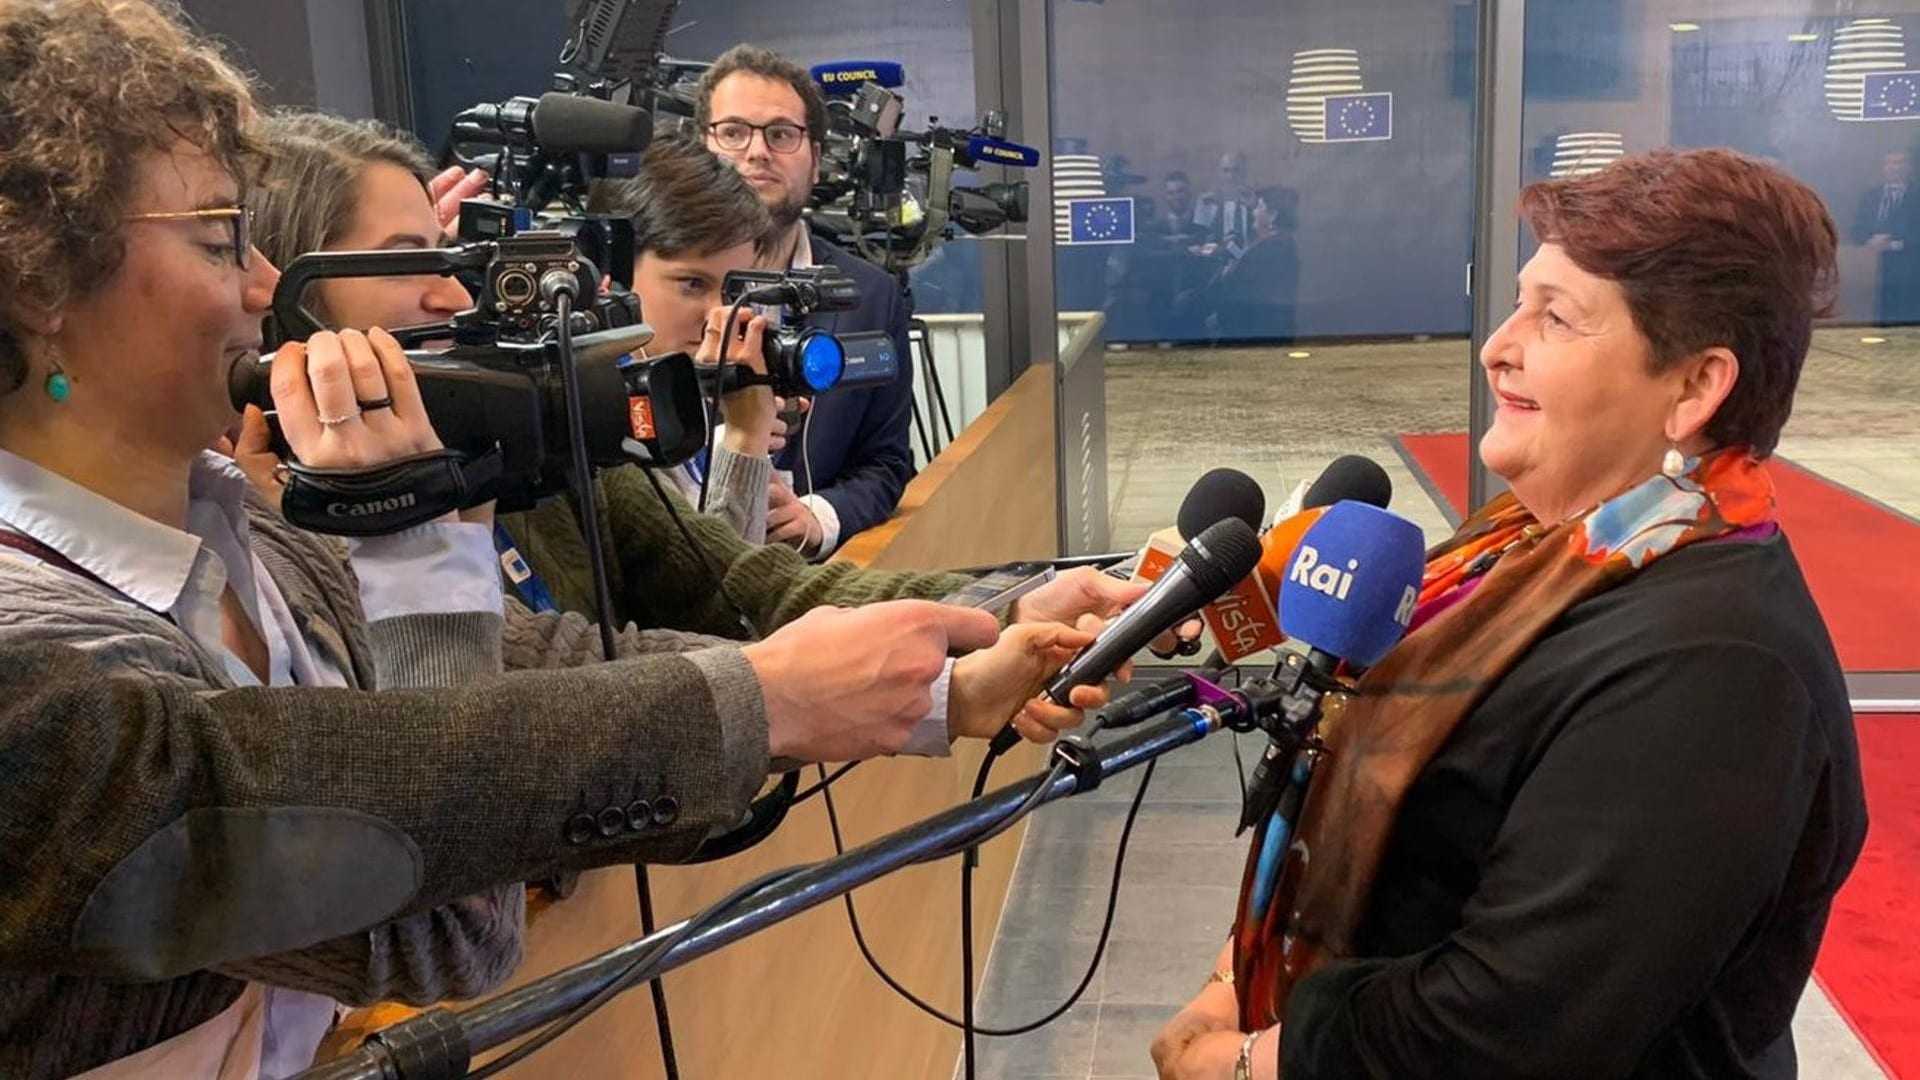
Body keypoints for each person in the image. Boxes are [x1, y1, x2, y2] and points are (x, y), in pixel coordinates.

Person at [0, 4, 1107, 1075]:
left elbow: (568, 669)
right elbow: (443, 927)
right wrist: (426, 543)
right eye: (215, 237)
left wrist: (948, 668)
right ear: (38, 274)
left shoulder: (249, 536)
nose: (256, 288)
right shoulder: (35, 663)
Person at [1152, 148, 1867, 1079]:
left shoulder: (1715, 669)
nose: (1498, 344)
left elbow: (1504, 1029)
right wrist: (1233, 978)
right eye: (1520, 299)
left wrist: (1248, 1064)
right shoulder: (1526, 544)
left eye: (1557, 317)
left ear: (1695, 387)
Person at [245, 115, 1149, 731]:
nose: (453, 292)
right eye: (412, 262)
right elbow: (556, 685)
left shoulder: (525, 429)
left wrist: (1002, 614)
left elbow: (737, 585)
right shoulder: (272, 521)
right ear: (283, 297)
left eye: (453, 259)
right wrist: (926, 685)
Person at [697, 44, 916, 558]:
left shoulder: (873, 296)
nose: (756, 152)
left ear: (815, 159)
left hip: (816, 585)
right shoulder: (650, 294)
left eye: (781, 134)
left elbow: (886, 463)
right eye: (732, 132)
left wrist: (819, 517)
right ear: (700, 150)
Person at [1849, 149, 1919, 324]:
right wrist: (1869, 241)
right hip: (1871, 270)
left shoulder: (1917, 196)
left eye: (1899, 163)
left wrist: (1894, 244)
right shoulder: (1870, 196)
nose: (1894, 167)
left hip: (1910, 271)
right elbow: (1856, 230)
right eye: (1889, 163)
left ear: (1909, 167)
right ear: (1883, 167)